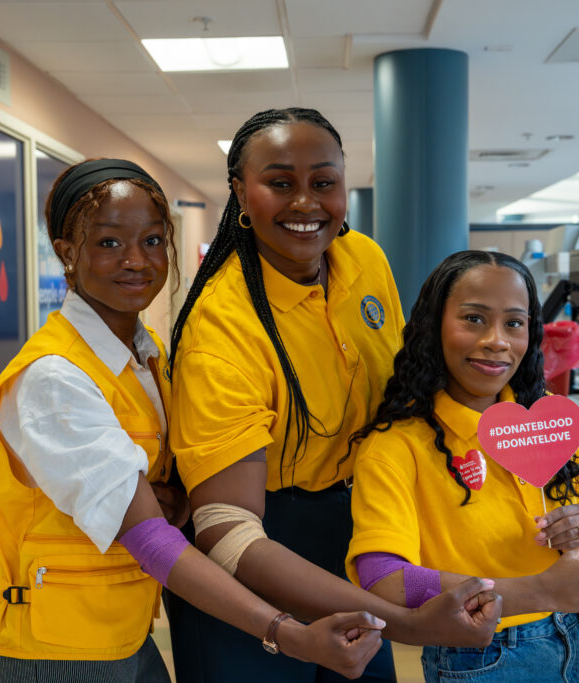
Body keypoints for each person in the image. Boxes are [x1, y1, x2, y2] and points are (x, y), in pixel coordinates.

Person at [0, 158, 389, 682]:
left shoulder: (146, 359)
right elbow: (149, 537)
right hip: (51, 652)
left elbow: (159, 492)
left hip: (120, 632)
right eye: (108, 243)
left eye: (151, 241)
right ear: (67, 254)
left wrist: (169, 494)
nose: (136, 261)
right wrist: (285, 631)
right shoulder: (54, 378)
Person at [165, 109, 502, 683]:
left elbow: (407, 390)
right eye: (279, 183)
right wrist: (406, 623)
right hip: (260, 551)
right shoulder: (221, 331)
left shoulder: (364, 261)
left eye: (323, 182)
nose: (305, 203)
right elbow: (227, 527)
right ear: (240, 194)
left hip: (358, 525)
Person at [346, 250, 579, 682]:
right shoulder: (396, 446)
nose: (497, 340)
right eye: (473, 318)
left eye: (514, 323)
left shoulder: (549, 421)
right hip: (481, 658)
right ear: (433, 327)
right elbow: (384, 578)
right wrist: (540, 591)